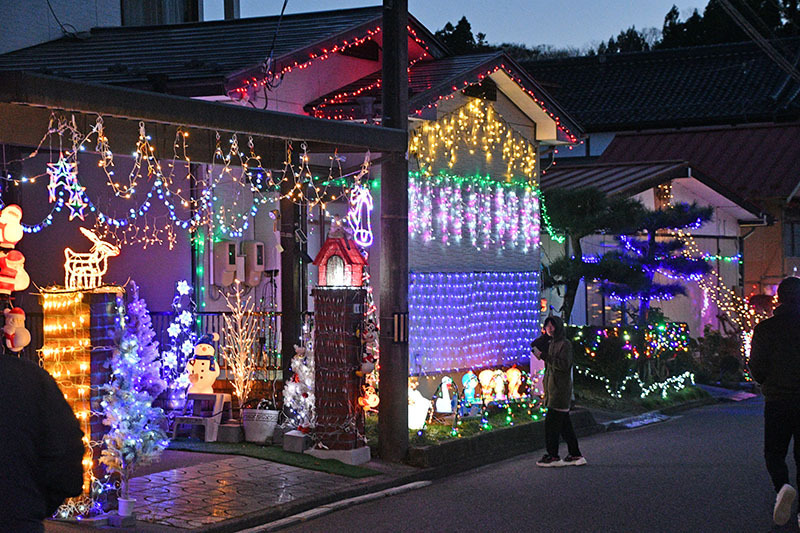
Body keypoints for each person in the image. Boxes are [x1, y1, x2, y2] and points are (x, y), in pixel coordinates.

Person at [0, 354, 85, 532]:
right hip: (18, 516)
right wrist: (36, 502)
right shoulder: (28, 378)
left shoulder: (29, 378)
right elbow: (67, 452)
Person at [750, 276, 800, 527]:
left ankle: (783, 489)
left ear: (779, 298)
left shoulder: (765, 329)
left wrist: (766, 381)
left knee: (774, 453)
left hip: (778, 399)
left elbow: (756, 366)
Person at [532, 315, 586, 467]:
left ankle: (553, 456)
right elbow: (534, 344)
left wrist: (543, 356)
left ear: (559, 327)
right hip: (552, 389)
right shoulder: (550, 343)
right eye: (547, 326)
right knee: (564, 425)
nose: (549, 328)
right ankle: (575, 454)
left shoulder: (565, 344)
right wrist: (544, 341)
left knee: (552, 425)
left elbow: (563, 365)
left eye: (552, 326)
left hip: (560, 390)